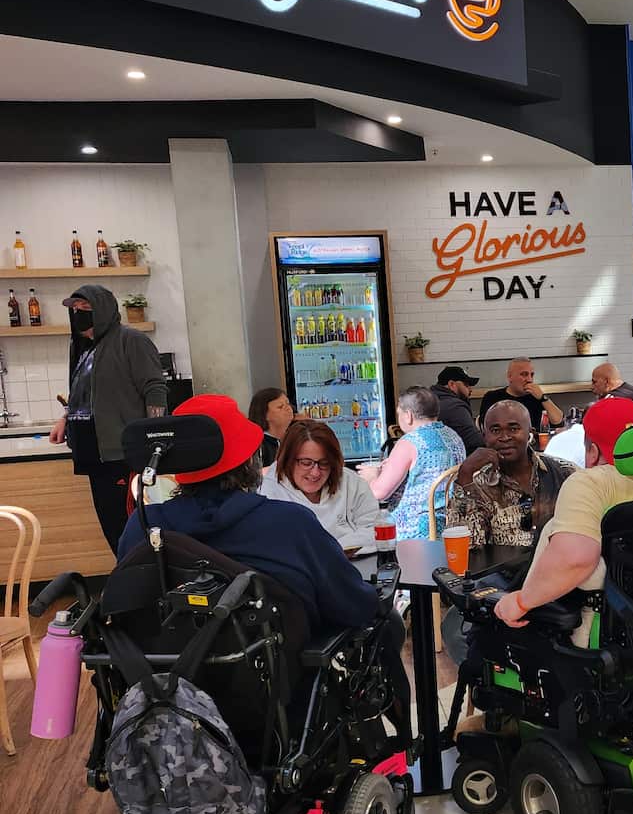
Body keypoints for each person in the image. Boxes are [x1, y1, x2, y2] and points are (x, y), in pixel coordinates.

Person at [118, 394, 410, 738]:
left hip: (175, 693)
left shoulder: (141, 528)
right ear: (251, 461)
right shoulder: (288, 522)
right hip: (277, 693)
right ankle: (404, 737)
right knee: (384, 621)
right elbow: (352, 604)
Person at [493, 397, 633, 639]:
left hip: (595, 633)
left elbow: (576, 559)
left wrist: (520, 602)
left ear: (592, 451)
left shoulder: (590, 483)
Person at [49, 284, 167, 551]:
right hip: (93, 456)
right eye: (75, 310)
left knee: (131, 528)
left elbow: (155, 388)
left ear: (103, 311)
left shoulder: (130, 340)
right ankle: (127, 581)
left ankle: (143, 586)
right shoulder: (84, 348)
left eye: (85, 310)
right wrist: (65, 419)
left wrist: (151, 439)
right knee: (112, 529)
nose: (79, 315)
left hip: (122, 456)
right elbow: (83, 394)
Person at [445, 399, 577, 548]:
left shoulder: (564, 472)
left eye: (513, 429)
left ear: (530, 434)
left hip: (560, 565)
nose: (505, 437)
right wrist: (465, 476)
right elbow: (464, 549)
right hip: (503, 570)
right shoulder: (475, 483)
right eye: (495, 430)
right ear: (484, 437)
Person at [261, 418, 380, 556]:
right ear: (288, 460)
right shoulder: (270, 492)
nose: (315, 472)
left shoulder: (351, 482)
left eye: (324, 463)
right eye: (306, 463)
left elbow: (375, 529)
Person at [358, 387, 466, 537]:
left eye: (399, 414)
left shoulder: (410, 443)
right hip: (451, 522)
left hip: (416, 528)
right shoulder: (453, 436)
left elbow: (379, 493)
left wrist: (372, 476)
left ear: (408, 415)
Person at [479, 359, 565, 434]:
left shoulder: (536, 397)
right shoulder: (492, 397)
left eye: (531, 375)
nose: (529, 380)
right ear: (510, 376)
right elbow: (487, 428)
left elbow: (558, 422)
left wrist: (543, 397)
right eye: (524, 374)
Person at [428, 365, 484, 454]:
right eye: (466, 385)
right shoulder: (455, 407)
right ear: (452, 384)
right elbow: (474, 441)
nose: (470, 389)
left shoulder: (428, 401)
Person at [247, 387, 295, 468]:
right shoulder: (258, 446)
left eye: (288, 403)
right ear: (264, 414)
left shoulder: (293, 437)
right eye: (280, 407)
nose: (288, 408)